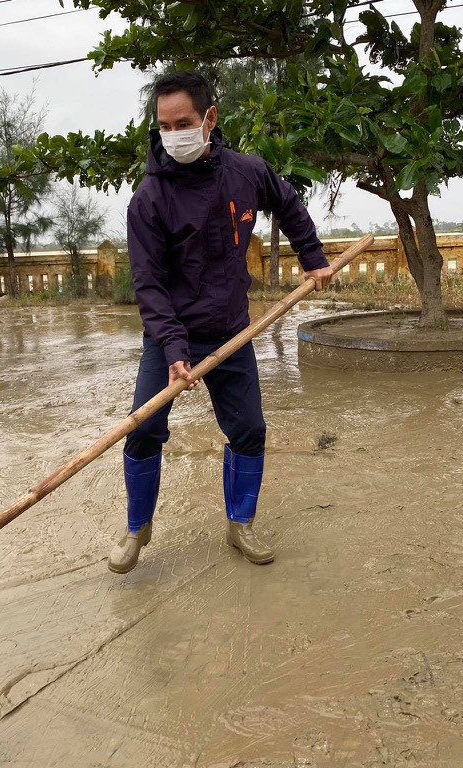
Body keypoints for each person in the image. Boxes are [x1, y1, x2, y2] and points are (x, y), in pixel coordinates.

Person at [109, 71, 332, 574]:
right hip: (171, 337)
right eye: (163, 125)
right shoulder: (149, 199)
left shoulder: (246, 173)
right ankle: (136, 529)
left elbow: (288, 203)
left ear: (210, 118)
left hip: (232, 332)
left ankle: (240, 525)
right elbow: (149, 283)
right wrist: (172, 350)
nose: (173, 134)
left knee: (249, 430)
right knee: (143, 430)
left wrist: (312, 257)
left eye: (182, 122)